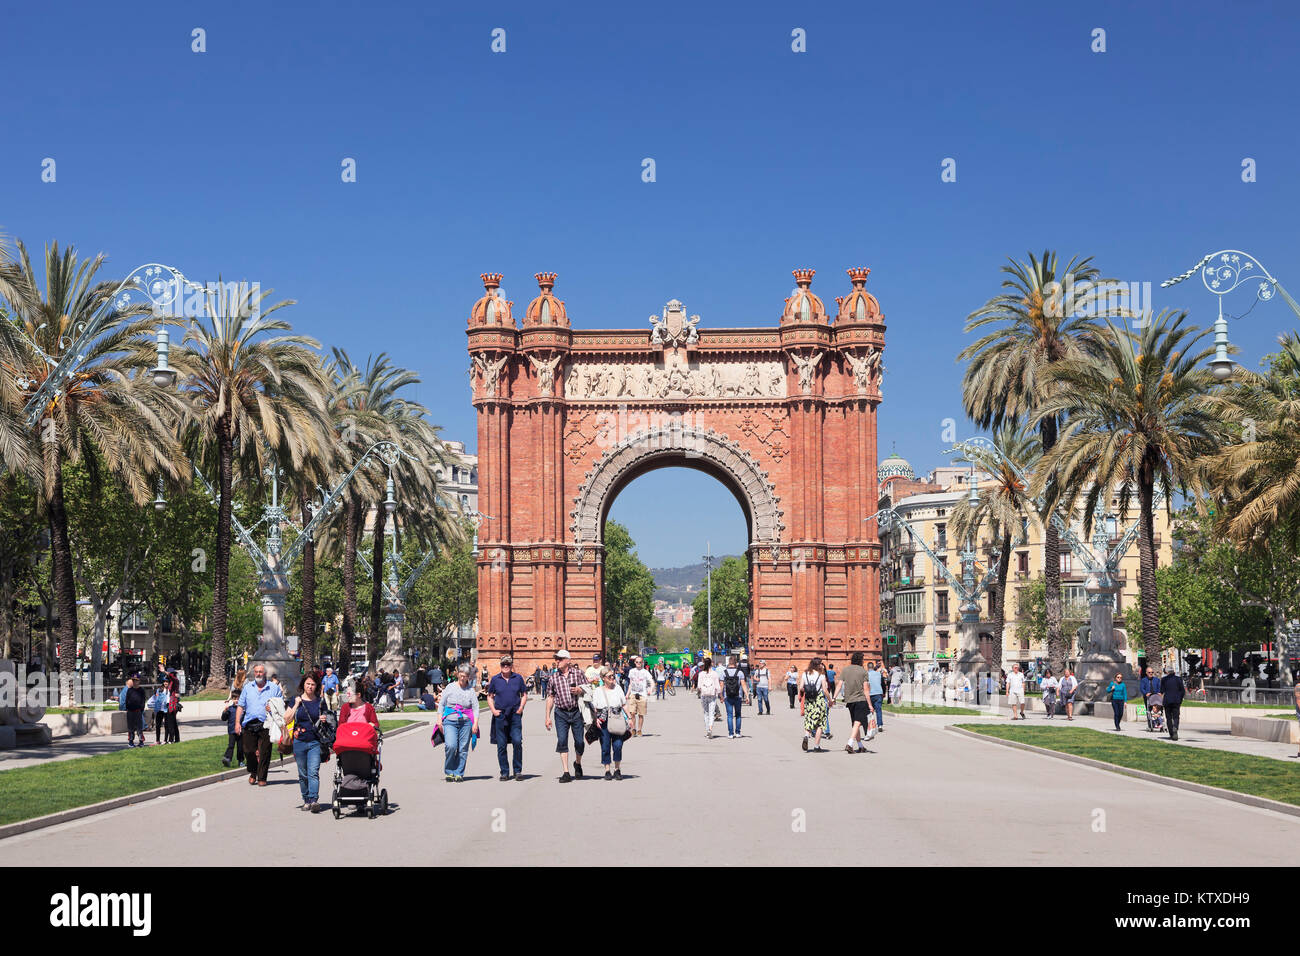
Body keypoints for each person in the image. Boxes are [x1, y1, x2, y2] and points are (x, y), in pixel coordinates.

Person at [235, 663, 283, 787]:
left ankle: (262, 777)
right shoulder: (247, 687)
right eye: (256, 672)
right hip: (249, 723)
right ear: (253, 673)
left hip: (266, 724)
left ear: (265, 673)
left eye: (261, 672)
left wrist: (272, 708)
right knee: (248, 751)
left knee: (264, 752)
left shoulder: (274, 688)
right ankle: (253, 771)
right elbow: (241, 706)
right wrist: (237, 723)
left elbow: (281, 706)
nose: (258, 674)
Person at [544, 649, 588, 782]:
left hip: (576, 712)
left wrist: (580, 690)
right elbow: (550, 697)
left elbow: (589, 687)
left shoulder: (578, 674)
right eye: (556, 659)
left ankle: (578, 763)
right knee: (562, 740)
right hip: (561, 713)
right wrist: (547, 717)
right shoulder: (553, 677)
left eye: (560, 659)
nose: (557, 661)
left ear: (568, 660)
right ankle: (566, 772)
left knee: (579, 742)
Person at [285, 674, 325, 811]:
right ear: (303, 685)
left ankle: (314, 800)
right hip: (299, 741)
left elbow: (328, 718)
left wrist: (324, 718)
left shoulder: (320, 702)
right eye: (308, 684)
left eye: (313, 684)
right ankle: (306, 799)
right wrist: (296, 704)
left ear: (316, 686)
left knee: (313, 771)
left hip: (315, 741)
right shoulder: (295, 700)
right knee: (302, 773)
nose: (310, 687)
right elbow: (286, 719)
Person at [437, 664, 480, 782]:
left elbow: (476, 708)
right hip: (450, 721)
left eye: (465, 676)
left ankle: (459, 773)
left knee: (463, 749)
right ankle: (449, 771)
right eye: (461, 675)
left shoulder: (470, 690)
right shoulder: (450, 687)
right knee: (451, 746)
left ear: (468, 677)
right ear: (458, 675)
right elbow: (441, 704)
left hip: (465, 722)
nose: (462, 678)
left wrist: (475, 723)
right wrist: (439, 719)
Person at [487, 655, 527, 781]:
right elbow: (490, 696)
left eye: (508, 664)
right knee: (501, 745)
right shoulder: (495, 679)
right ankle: (504, 772)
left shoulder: (518, 678)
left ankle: (517, 771)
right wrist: (493, 710)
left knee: (517, 741)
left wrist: (521, 708)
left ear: (511, 665)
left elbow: (524, 694)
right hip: (501, 715)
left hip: (515, 714)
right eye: (503, 664)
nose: (506, 666)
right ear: (500, 665)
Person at [592, 667, 630, 780]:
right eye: (609, 676)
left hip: (617, 719)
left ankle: (617, 769)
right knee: (605, 746)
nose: (612, 678)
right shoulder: (598, 691)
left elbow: (624, 704)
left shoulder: (618, 688)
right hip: (603, 721)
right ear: (603, 678)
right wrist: (595, 720)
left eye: (613, 675)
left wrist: (630, 718)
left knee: (618, 745)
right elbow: (594, 708)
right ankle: (607, 770)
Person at [837, 653, 871, 753]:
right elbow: (866, 690)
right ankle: (850, 743)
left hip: (850, 701)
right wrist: (870, 704)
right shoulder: (863, 671)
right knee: (858, 722)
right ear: (860, 660)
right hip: (860, 700)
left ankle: (860, 746)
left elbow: (839, 685)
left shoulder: (845, 670)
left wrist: (834, 697)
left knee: (855, 723)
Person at [800, 658, 829, 751]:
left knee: (809, 719)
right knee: (820, 723)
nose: (821, 665)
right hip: (819, 700)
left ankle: (806, 736)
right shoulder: (821, 676)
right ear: (818, 665)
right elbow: (825, 690)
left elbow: (801, 688)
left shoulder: (805, 674)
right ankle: (816, 746)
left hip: (809, 700)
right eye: (820, 664)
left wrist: (808, 691)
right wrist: (830, 700)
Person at [221, 670, 246, 767]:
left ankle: (241, 761)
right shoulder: (230, 709)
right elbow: (223, 718)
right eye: (234, 699)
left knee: (240, 747)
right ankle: (227, 759)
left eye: (238, 699)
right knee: (231, 745)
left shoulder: (243, 709)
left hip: (241, 730)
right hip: (231, 730)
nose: (236, 701)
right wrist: (225, 711)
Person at [719, 655, 748, 738]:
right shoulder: (740, 672)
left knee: (729, 715)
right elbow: (743, 685)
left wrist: (721, 696)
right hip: (738, 696)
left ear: (729, 662)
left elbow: (721, 686)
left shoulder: (723, 673)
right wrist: (747, 696)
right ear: (736, 663)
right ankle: (738, 733)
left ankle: (730, 734)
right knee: (738, 715)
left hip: (727, 696)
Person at [625, 656, 653, 736]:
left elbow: (651, 681)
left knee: (641, 714)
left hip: (642, 695)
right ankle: (633, 728)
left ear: (642, 663)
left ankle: (639, 730)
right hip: (633, 694)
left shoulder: (645, 672)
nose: (638, 663)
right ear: (634, 662)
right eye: (637, 662)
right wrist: (627, 694)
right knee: (632, 713)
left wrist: (651, 689)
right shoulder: (631, 671)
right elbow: (630, 684)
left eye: (640, 662)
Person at [696, 657, 722, 739]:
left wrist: (701, 691)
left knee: (706, 713)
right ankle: (710, 729)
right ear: (711, 664)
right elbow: (718, 687)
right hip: (712, 695)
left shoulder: (701, 674)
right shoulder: (714, 674)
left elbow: (699, 686)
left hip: (704, 696)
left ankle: (707, 730)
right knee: (711, 714)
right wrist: (721, 697)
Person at [1159, 665, 1186, 741]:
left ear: (1167, 672)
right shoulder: (1178, 679)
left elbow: (1162, 691)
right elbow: (1182, 691)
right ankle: (1175, 728)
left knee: (1169, 718)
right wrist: (1180, 699)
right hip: (1176, 700)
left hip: (1167, 700)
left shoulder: (1164, 679)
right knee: (1176, 716)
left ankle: (1171, 733)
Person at [123, 677, 146, 749]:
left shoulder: (141, 690)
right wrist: (128, 708)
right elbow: (127, 700)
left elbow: (143, 701)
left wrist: (141, 709)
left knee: (139, 727)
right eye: (133, 681)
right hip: (130, 711)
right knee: (130, 727)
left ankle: (141, 741)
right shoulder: (130, 690)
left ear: (139, 681)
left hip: (138, 711)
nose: (134, 682)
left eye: (136, 680)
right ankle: (131, 741)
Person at [867, 660, 885, 733]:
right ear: (873, 667)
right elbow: (883, 683)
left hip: (870, 694)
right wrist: (883, 693)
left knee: (869, 710)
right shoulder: (878, 674)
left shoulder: (866, 674)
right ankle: (880, 725)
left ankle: (870, 725)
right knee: (878, 710)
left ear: (867, 667)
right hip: (878, 693)